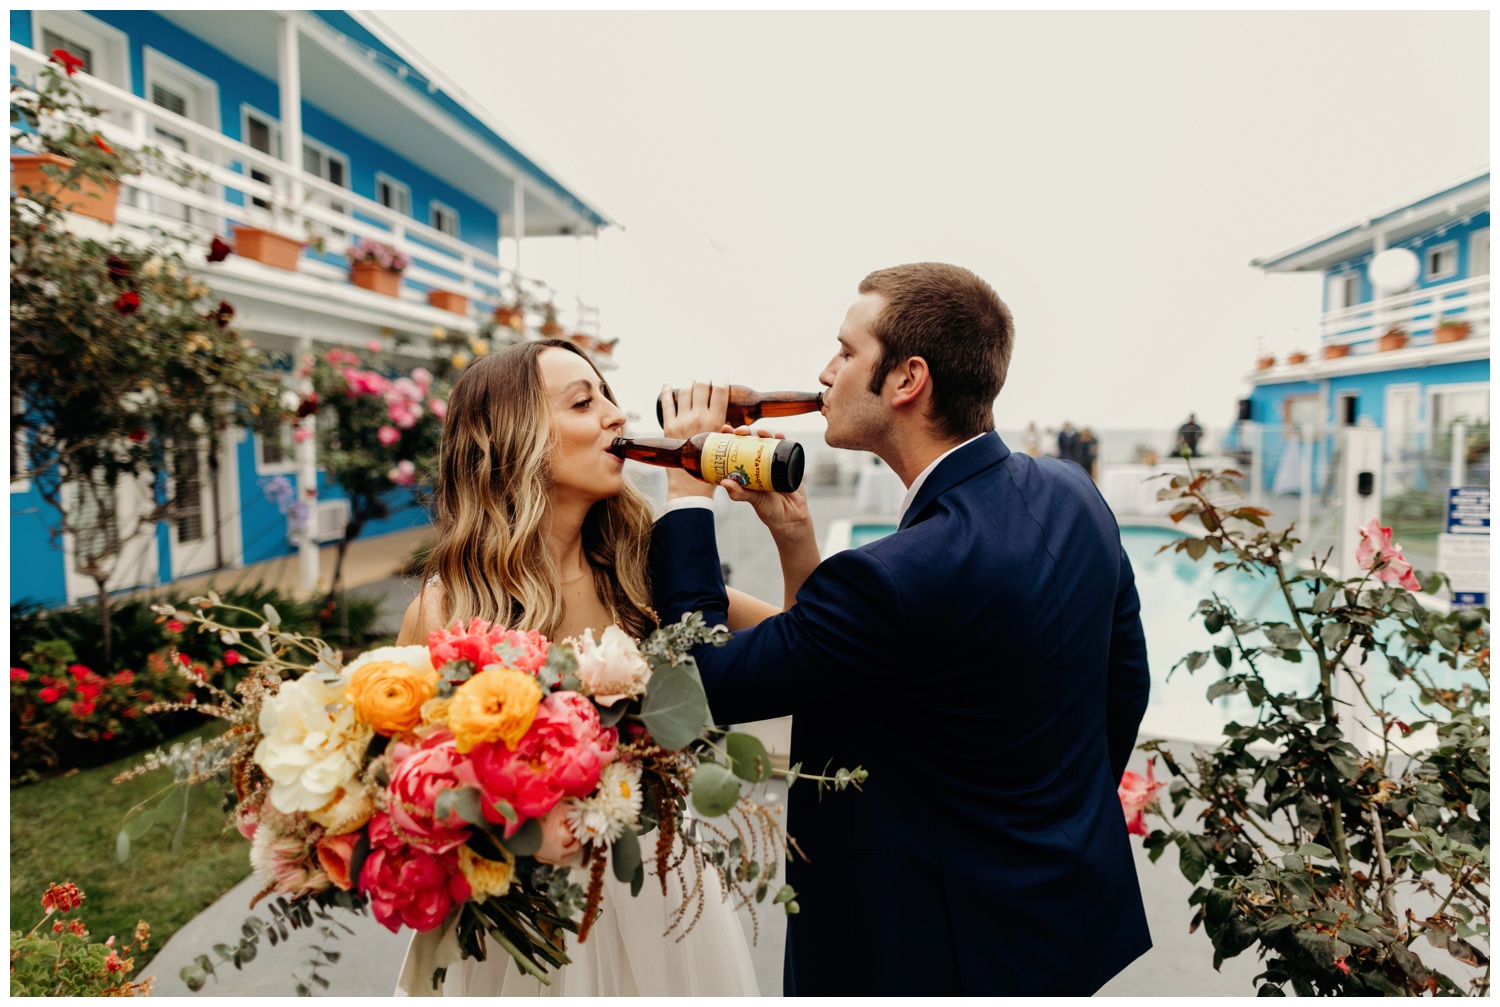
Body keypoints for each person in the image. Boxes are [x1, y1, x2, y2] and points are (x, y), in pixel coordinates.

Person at [652, 263, 1152, 995]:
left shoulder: (893, 576)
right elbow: (1125, 682)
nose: (823, 373)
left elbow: (697, 684)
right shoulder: (1073, 493)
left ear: (906, 379)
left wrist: (686, 492)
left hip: (925, 952)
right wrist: (797, 544)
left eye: (846, 352)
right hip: (1063, 922)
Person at [391, 340, 760, 997]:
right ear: (510, 439)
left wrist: (790, 528)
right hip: (518, 937)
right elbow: (409, 798)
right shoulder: (446, 609)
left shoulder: (647, 570)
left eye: (608, 395)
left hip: (663, 904)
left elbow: (808, 638)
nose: (616, 416)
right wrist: (517, 824)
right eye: (585, 401)